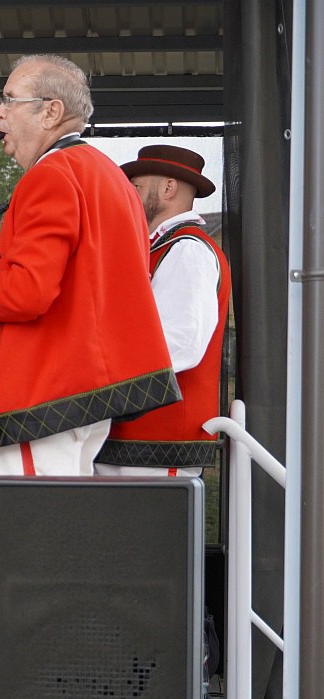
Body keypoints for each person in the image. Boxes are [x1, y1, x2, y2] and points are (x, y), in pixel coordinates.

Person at [0, 54, 179, 477]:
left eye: (9, 100)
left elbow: (29, 292)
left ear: (51, 112)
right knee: (62, 527)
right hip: (84, 392)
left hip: (45, 391)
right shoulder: (106, 174)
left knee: (31, 531)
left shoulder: (50, 175)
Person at [96, 145, 231, 477]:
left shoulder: (188, 250)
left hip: (160, 442)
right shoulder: (162, 248)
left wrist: (95, 374)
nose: (128, 195)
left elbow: (179, 343)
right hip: (136, 439)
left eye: (136, 187)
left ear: (168, 188)